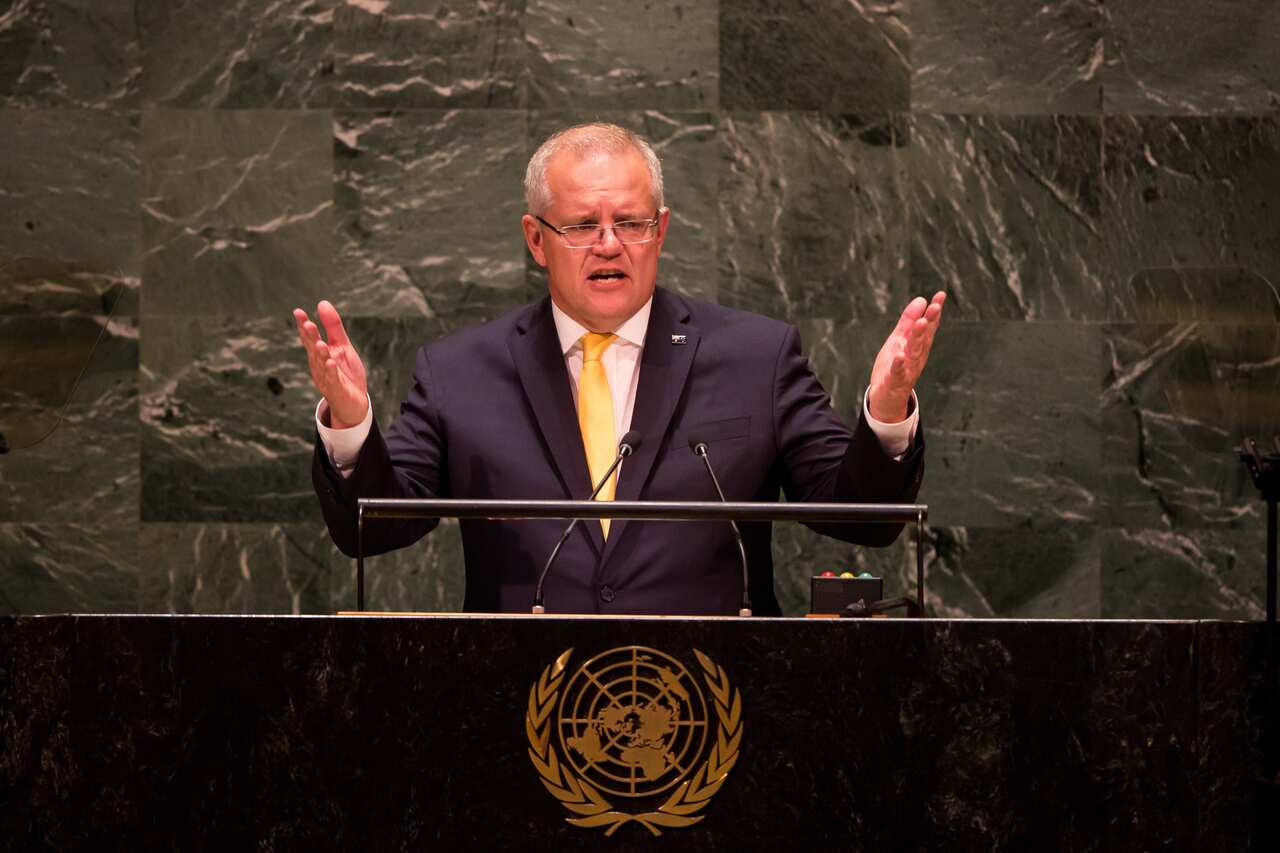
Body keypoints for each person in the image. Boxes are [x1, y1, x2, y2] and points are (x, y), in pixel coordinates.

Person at [294, 123, 944, 616]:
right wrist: (350, 425)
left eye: (630, 222)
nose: (609, 244)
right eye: (582, 225)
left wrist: (887, 412)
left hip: (715, 708)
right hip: (518, 707)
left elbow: (860, 517)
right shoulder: (460, 372)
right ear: (536, 238)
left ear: (660, 231)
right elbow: (375, 528)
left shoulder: (756, 357)